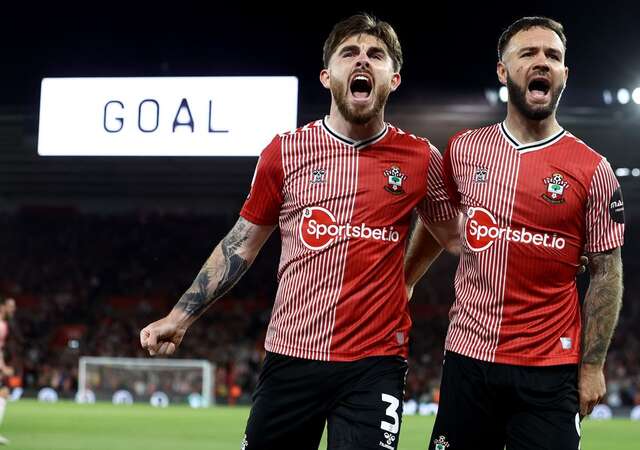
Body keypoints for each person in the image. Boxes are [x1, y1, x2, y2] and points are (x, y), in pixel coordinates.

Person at [140, 13, 458, 450]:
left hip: (376, 362)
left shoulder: (420, 157)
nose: (362, 61)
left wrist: (407, 276)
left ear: (394, 78)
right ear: (328, 76)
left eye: (375, 55)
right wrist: (179, 317)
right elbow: (241, 246)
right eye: (349, 53)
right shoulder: (285, 152)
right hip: (291, 356)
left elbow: (452, 234)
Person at [404, 16, 625, 450]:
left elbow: (606, 270)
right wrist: (406, 280)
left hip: (550, 368)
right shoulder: (464, 149)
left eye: (553, 56)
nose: (542, 62)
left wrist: (593, 365)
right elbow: (438, 220)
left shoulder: (593, 169)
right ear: (503, 71)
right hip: (469, 358)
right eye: (528, 53)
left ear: (564, 74)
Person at [0, 298, 16, 446]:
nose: (13, 309)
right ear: (2, 306)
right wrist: (3, 367)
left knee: (3, 393)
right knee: (3, 393)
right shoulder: (1, 325)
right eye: (10, 306)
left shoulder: (4, 324)